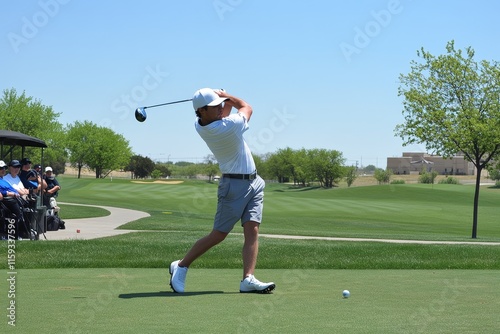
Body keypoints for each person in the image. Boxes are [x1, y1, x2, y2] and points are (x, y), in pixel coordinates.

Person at [169, 88, 275, 294]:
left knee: (252, 229)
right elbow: (247, 107)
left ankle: (248, 279)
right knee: (219, 234)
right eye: (215, 105)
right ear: (202, 110)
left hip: (255, 182)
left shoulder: (202, 124)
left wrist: (221, 98)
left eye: (220, 104)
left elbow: (222, 114)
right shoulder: (229, 126)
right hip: (234, 186)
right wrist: (228, 95)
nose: (220, 108)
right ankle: (181, 265)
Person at [0, 160, 26, 240]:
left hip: (15, 199)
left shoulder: (3, 180)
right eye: (1, 168)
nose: (3, 170)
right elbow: (2, 193)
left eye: (4, 168)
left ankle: (19, 234)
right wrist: (11, 194)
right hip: (8, 201)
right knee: (15, 215)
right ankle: (11, 235)